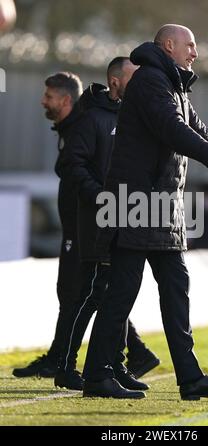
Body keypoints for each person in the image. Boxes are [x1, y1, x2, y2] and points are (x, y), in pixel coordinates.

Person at [82, 24, 208, 400]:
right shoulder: (151, 82)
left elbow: (191, 123)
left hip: (159, 207)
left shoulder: (169, 83)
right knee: (123, 291)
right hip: (136, 203)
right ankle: (98, 375)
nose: (195, 53)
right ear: (169, 45)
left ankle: (189, 379)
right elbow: (171, 127)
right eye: (190, 45)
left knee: (174, 288)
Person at [53, 57, 159, 391]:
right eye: (133, 77)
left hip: (128, 216)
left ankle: (115, 364)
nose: (140, 83)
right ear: (115, 81)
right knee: (94, 292)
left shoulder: (135, 117)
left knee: (115, 293)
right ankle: (66, 366)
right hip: (99, 219)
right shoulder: (92, 118)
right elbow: (72, 164)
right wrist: (99, 195)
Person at [13, 72, 84, 378]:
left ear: (66, 100)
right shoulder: (72, 127)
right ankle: (134, 353)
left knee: (76, 291)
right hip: (81, 223)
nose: (43, 101)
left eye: (49, 97)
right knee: (90, 292)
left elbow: (86, 175)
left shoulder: (81, 129)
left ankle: (60, 360)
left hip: (86, 225)